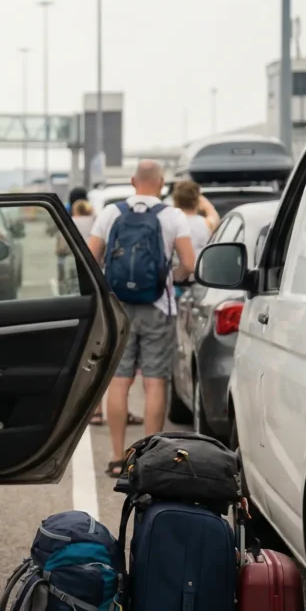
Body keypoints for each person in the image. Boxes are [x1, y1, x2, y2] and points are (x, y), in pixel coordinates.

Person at [88, 160, 195, 478]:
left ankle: (117, 458)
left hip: (119, 307)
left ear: (134, 181)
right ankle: (151, 458)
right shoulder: (173, 216)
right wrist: (172, 278)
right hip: (158, 306)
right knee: (154, 381)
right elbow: (189, 263)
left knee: (119, 381)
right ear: (161, 183)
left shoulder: (111, 213)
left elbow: (90, 256)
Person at [171, 179, 218, 258]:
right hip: (200, 265)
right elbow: (214, 215)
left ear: (175, 200)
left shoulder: (170, 223)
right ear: (197, 200)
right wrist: (206, 203)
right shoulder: (206, 224)